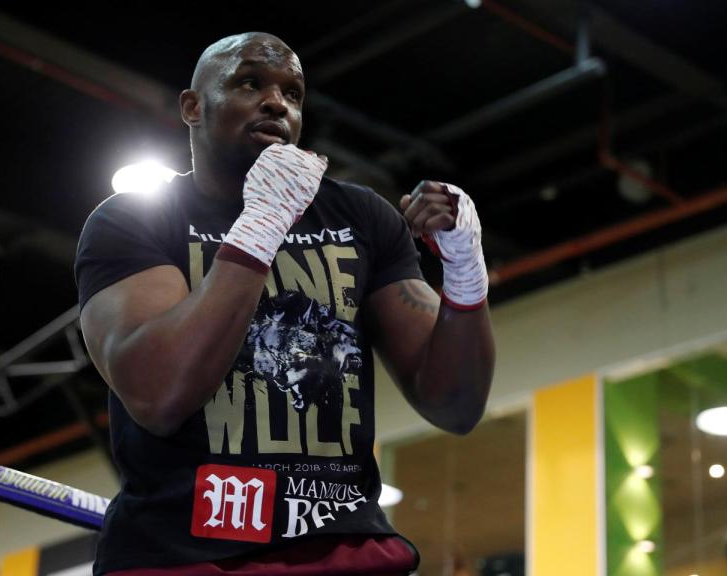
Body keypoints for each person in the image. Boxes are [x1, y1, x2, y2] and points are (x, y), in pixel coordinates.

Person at [75, 31, 495, 576]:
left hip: (347, 550)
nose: (278, 102)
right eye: (250, 83)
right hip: (185, 555)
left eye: (293, 93)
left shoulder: (359, 217)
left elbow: (455, 406)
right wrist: (260, 227)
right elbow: (160, 394)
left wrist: (464, 270)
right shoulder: (133, 220)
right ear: (192, 107)